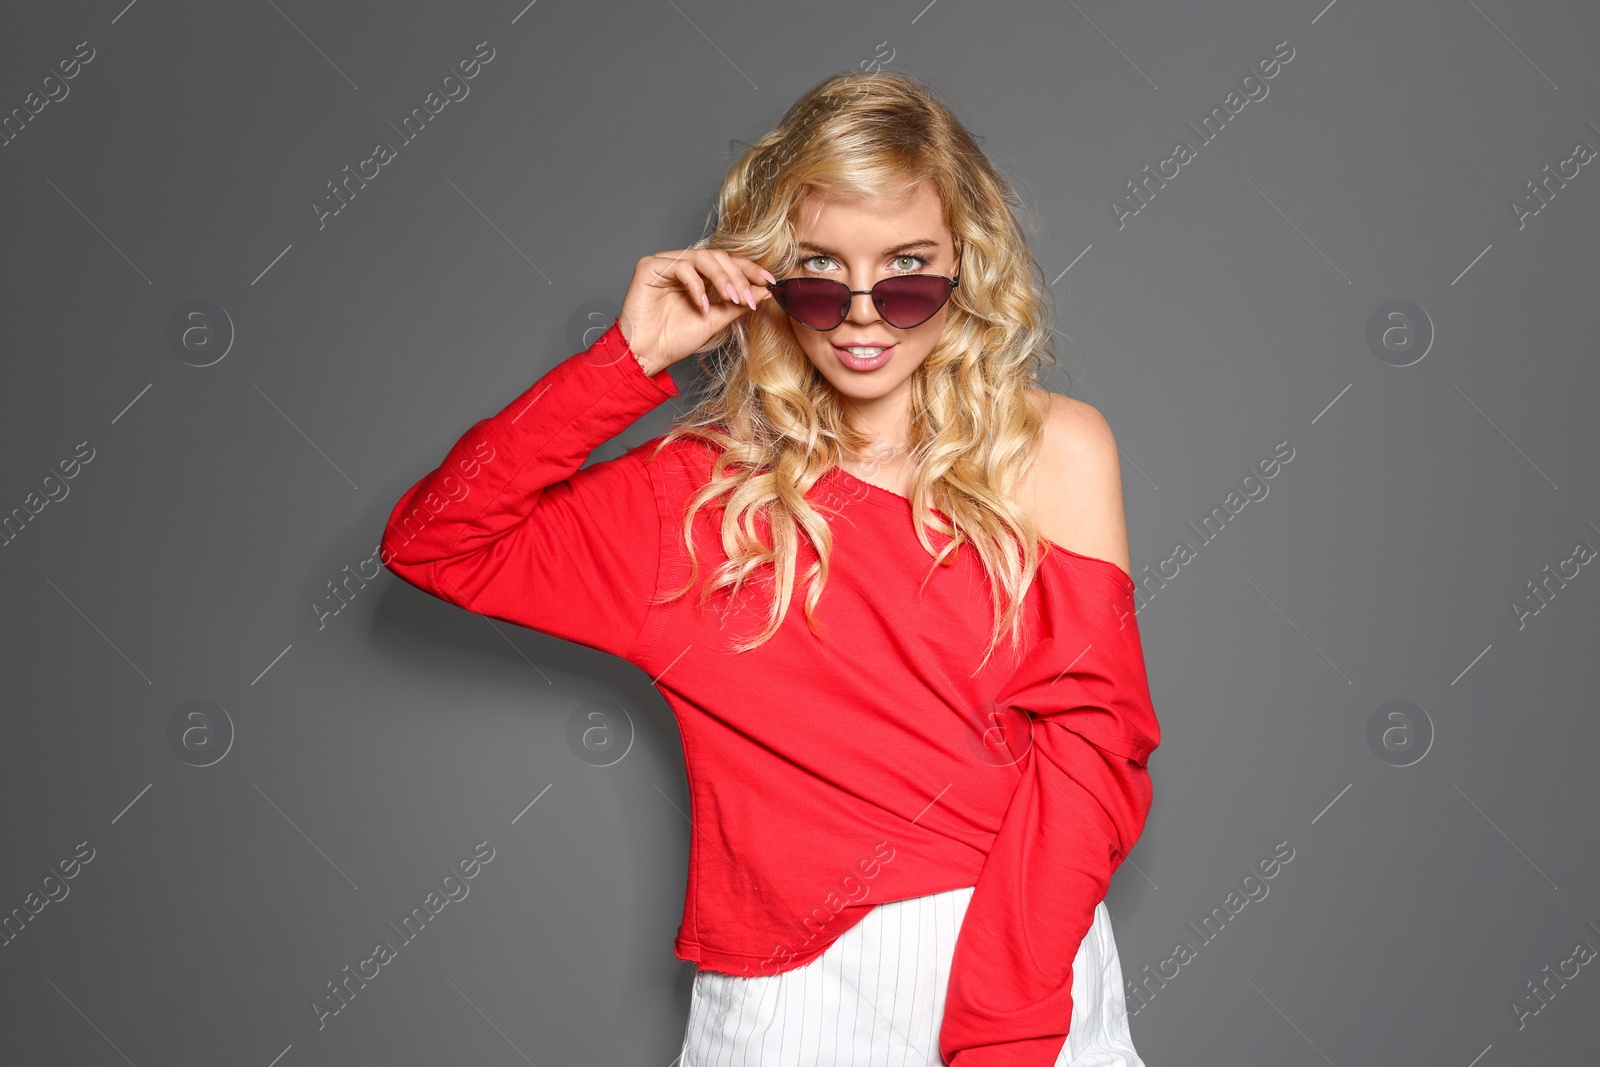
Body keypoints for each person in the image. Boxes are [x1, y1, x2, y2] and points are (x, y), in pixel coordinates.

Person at [380, 69, 1160, 1067]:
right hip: (788, 998)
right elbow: (434, 539)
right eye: (819, 274)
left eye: (910, 269)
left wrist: (1006, 1014)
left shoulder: (1051, 448)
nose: (864, 313)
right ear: (769, 278)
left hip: (1021, 951)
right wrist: (624, 359)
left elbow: (1096, 744)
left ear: (966, 262)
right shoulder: (692, 497)